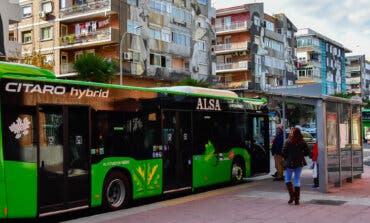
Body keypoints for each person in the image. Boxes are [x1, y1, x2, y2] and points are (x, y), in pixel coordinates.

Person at [283, 127, 310, 205]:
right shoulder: (302, 141)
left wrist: (287, 158)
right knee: (297, 180)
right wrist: (301, 154)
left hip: (289, 163)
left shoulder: (288, 142)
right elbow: (307, 152)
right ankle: (297, 200)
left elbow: (284, 153)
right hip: (299, 163)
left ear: (293, 134)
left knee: (287, 178)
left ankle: (292, 196)